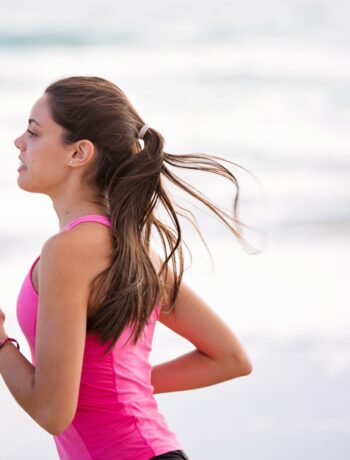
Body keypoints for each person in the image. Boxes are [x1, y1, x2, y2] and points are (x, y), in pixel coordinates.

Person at [0, 76, 254, 460]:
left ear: (78, 153)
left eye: (34, 133)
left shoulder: (68, 251)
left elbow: (52, 412)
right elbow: (229, 358)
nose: (19, 142)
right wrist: (123, 388)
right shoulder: (133, 249)